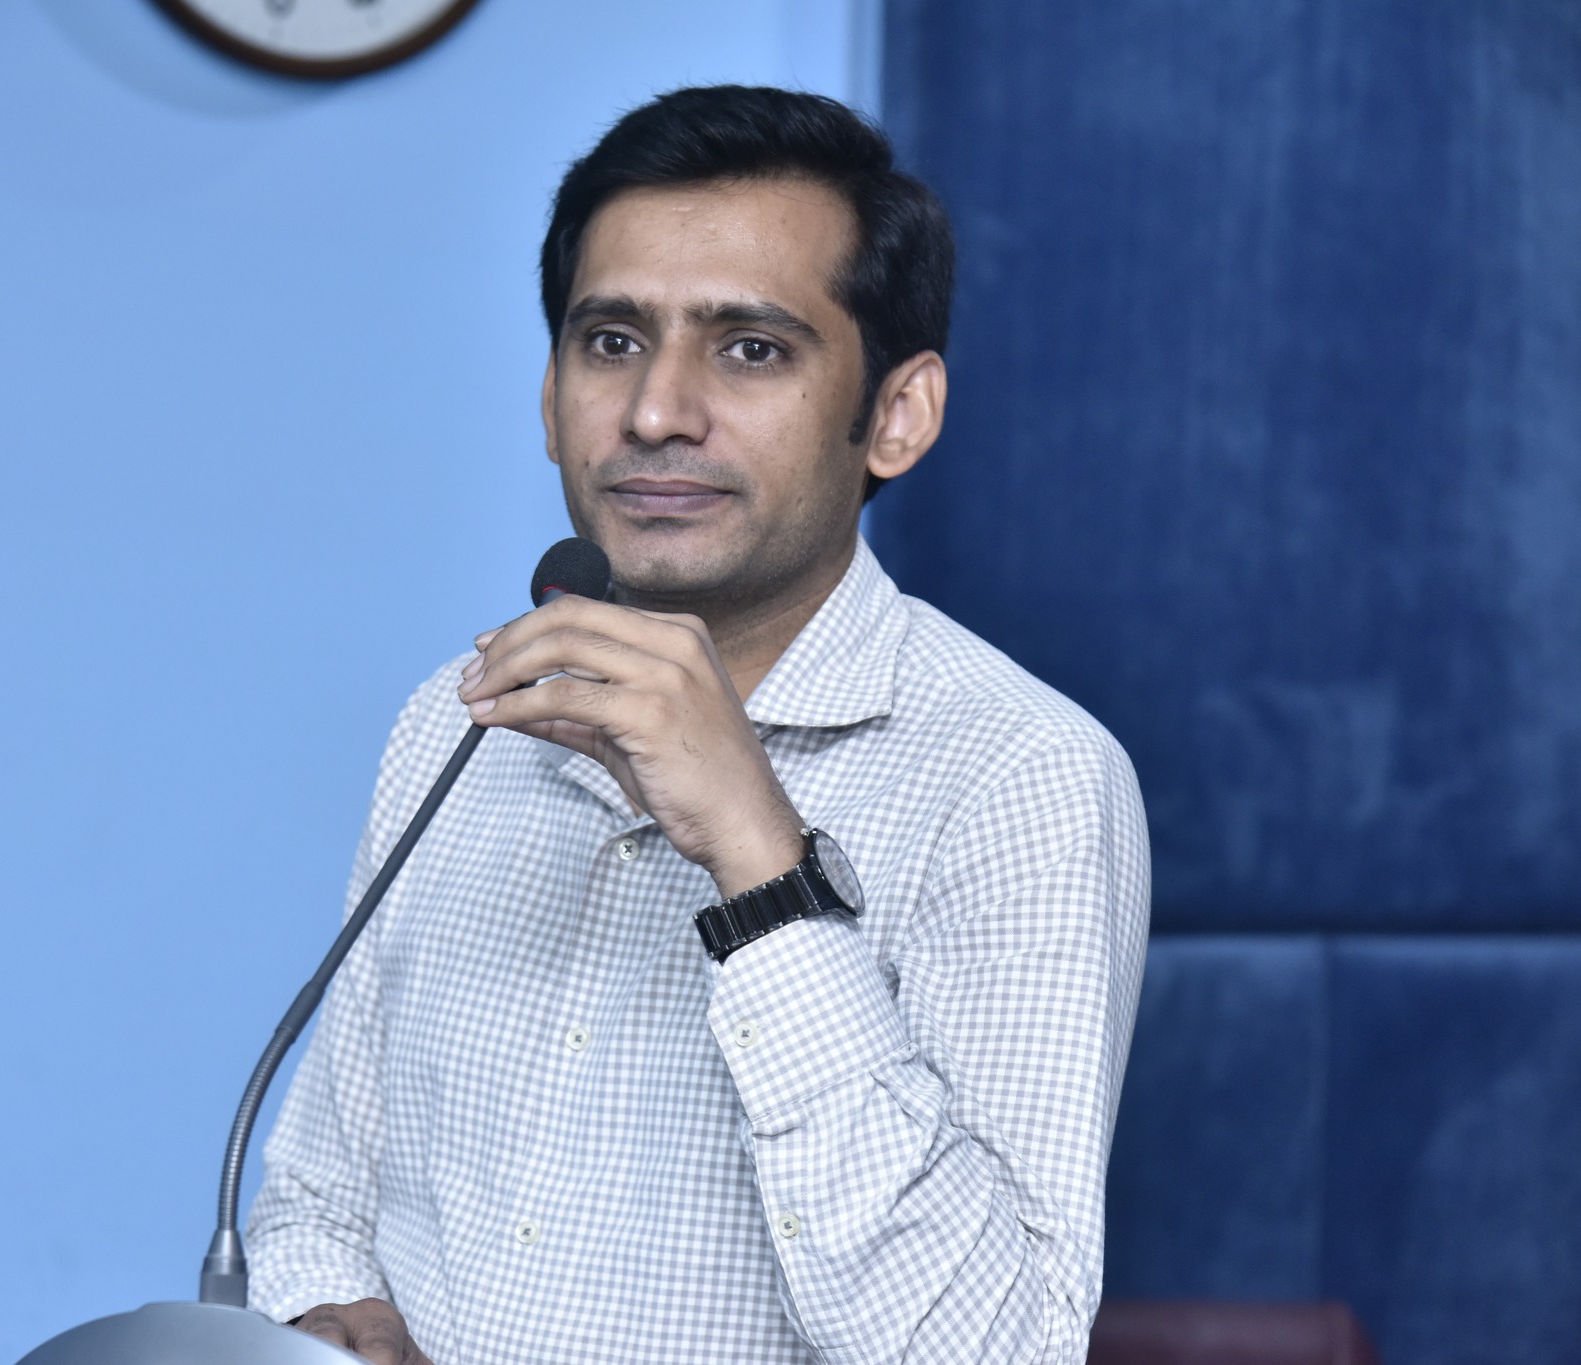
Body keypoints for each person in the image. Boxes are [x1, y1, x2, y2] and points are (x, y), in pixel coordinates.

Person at [248, 85, 1149, 1364]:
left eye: (750, 350)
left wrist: (762, 866)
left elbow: (994, 1349)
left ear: (896, 415)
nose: (655, 412)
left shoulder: (1020, 777)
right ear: (549, 395)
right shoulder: (457, 723)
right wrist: (327, 1312)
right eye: (611, 341)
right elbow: (319, 1195)